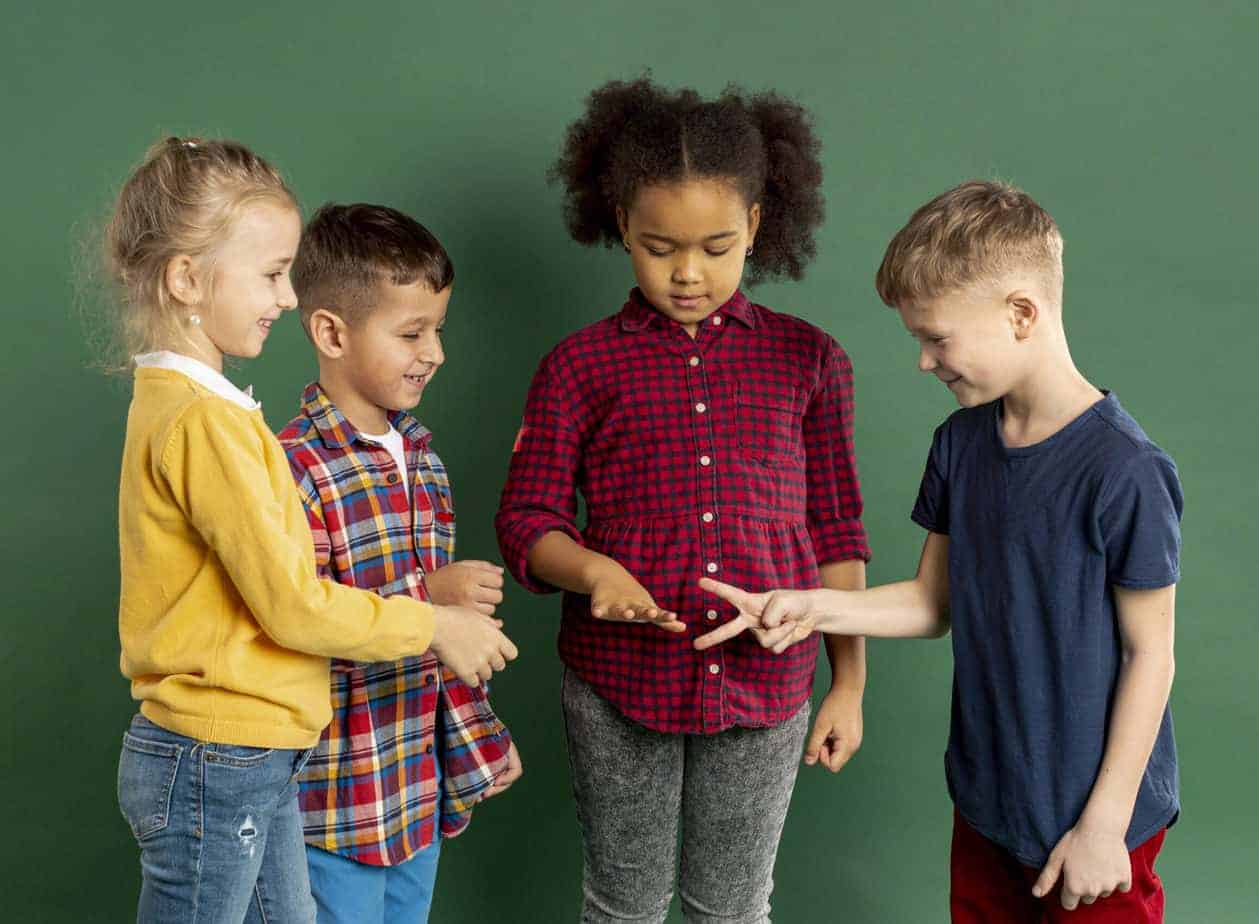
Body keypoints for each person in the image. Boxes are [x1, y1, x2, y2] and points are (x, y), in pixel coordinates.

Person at [698, 180, 1182, 922]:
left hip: (1096, 821)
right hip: (988, 801)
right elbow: (931, 603)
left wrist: (1105, 825)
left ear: (1021, 313)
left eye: (937, 338)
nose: (924, 362)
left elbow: (1151, 654)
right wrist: (809, 606)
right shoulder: (959, 445)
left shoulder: (1126, 470)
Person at [105, 137, 516, 923]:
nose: (286, 298)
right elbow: (295, 605)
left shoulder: (203, 410)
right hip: (218, 754)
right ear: (188, 279)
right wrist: (431, 618)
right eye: (269, 275)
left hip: (254, 754)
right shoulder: (203, 422)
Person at [495, 78, 871, 923]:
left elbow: (838, 532)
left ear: (759, 229)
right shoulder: (578, 366)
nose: (689, 273)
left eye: (717, 245)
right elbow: (527, 521)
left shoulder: (811, 361)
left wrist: (847, 684)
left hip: (769, 686)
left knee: (731, 908)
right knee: (623, 905)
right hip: (618, 687)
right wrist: (593, 572)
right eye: (661, 246)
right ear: (622, 223)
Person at [277, 203, 522, 922]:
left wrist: (479, 738)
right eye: (412, 332)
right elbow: (295, 624)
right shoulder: (292, 468)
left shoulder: (424, 460)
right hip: (334, 802)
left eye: (437, 328)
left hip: (414, 792)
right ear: (330, 331)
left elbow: (446, 648)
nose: (435, 351)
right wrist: (428, 597)